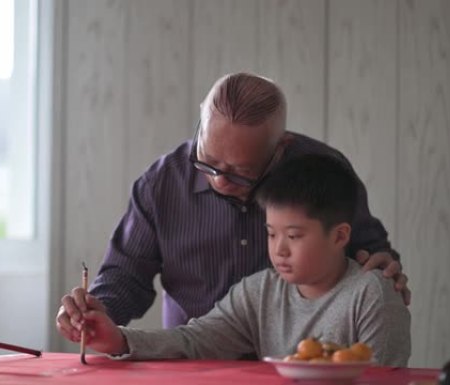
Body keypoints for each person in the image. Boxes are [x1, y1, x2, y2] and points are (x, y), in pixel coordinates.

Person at [57, 73, 410, 337]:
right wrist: (96, 309)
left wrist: (382, 270)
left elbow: (368, 252)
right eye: (207, 161)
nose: (220, 180)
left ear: (280, 148)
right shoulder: (161, 184)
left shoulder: (322, 171)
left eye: (241, 173)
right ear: (201, 121)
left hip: (302, 359)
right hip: (194, 357)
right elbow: (126, 276)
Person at [66, 154, 411, 366]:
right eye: (271, 234)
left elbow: (386, 377)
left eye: (293, 236)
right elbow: (195, 339)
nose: (279, 250)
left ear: (339, 236)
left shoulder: (371, 295)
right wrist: (120, 341)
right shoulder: (259, 292)